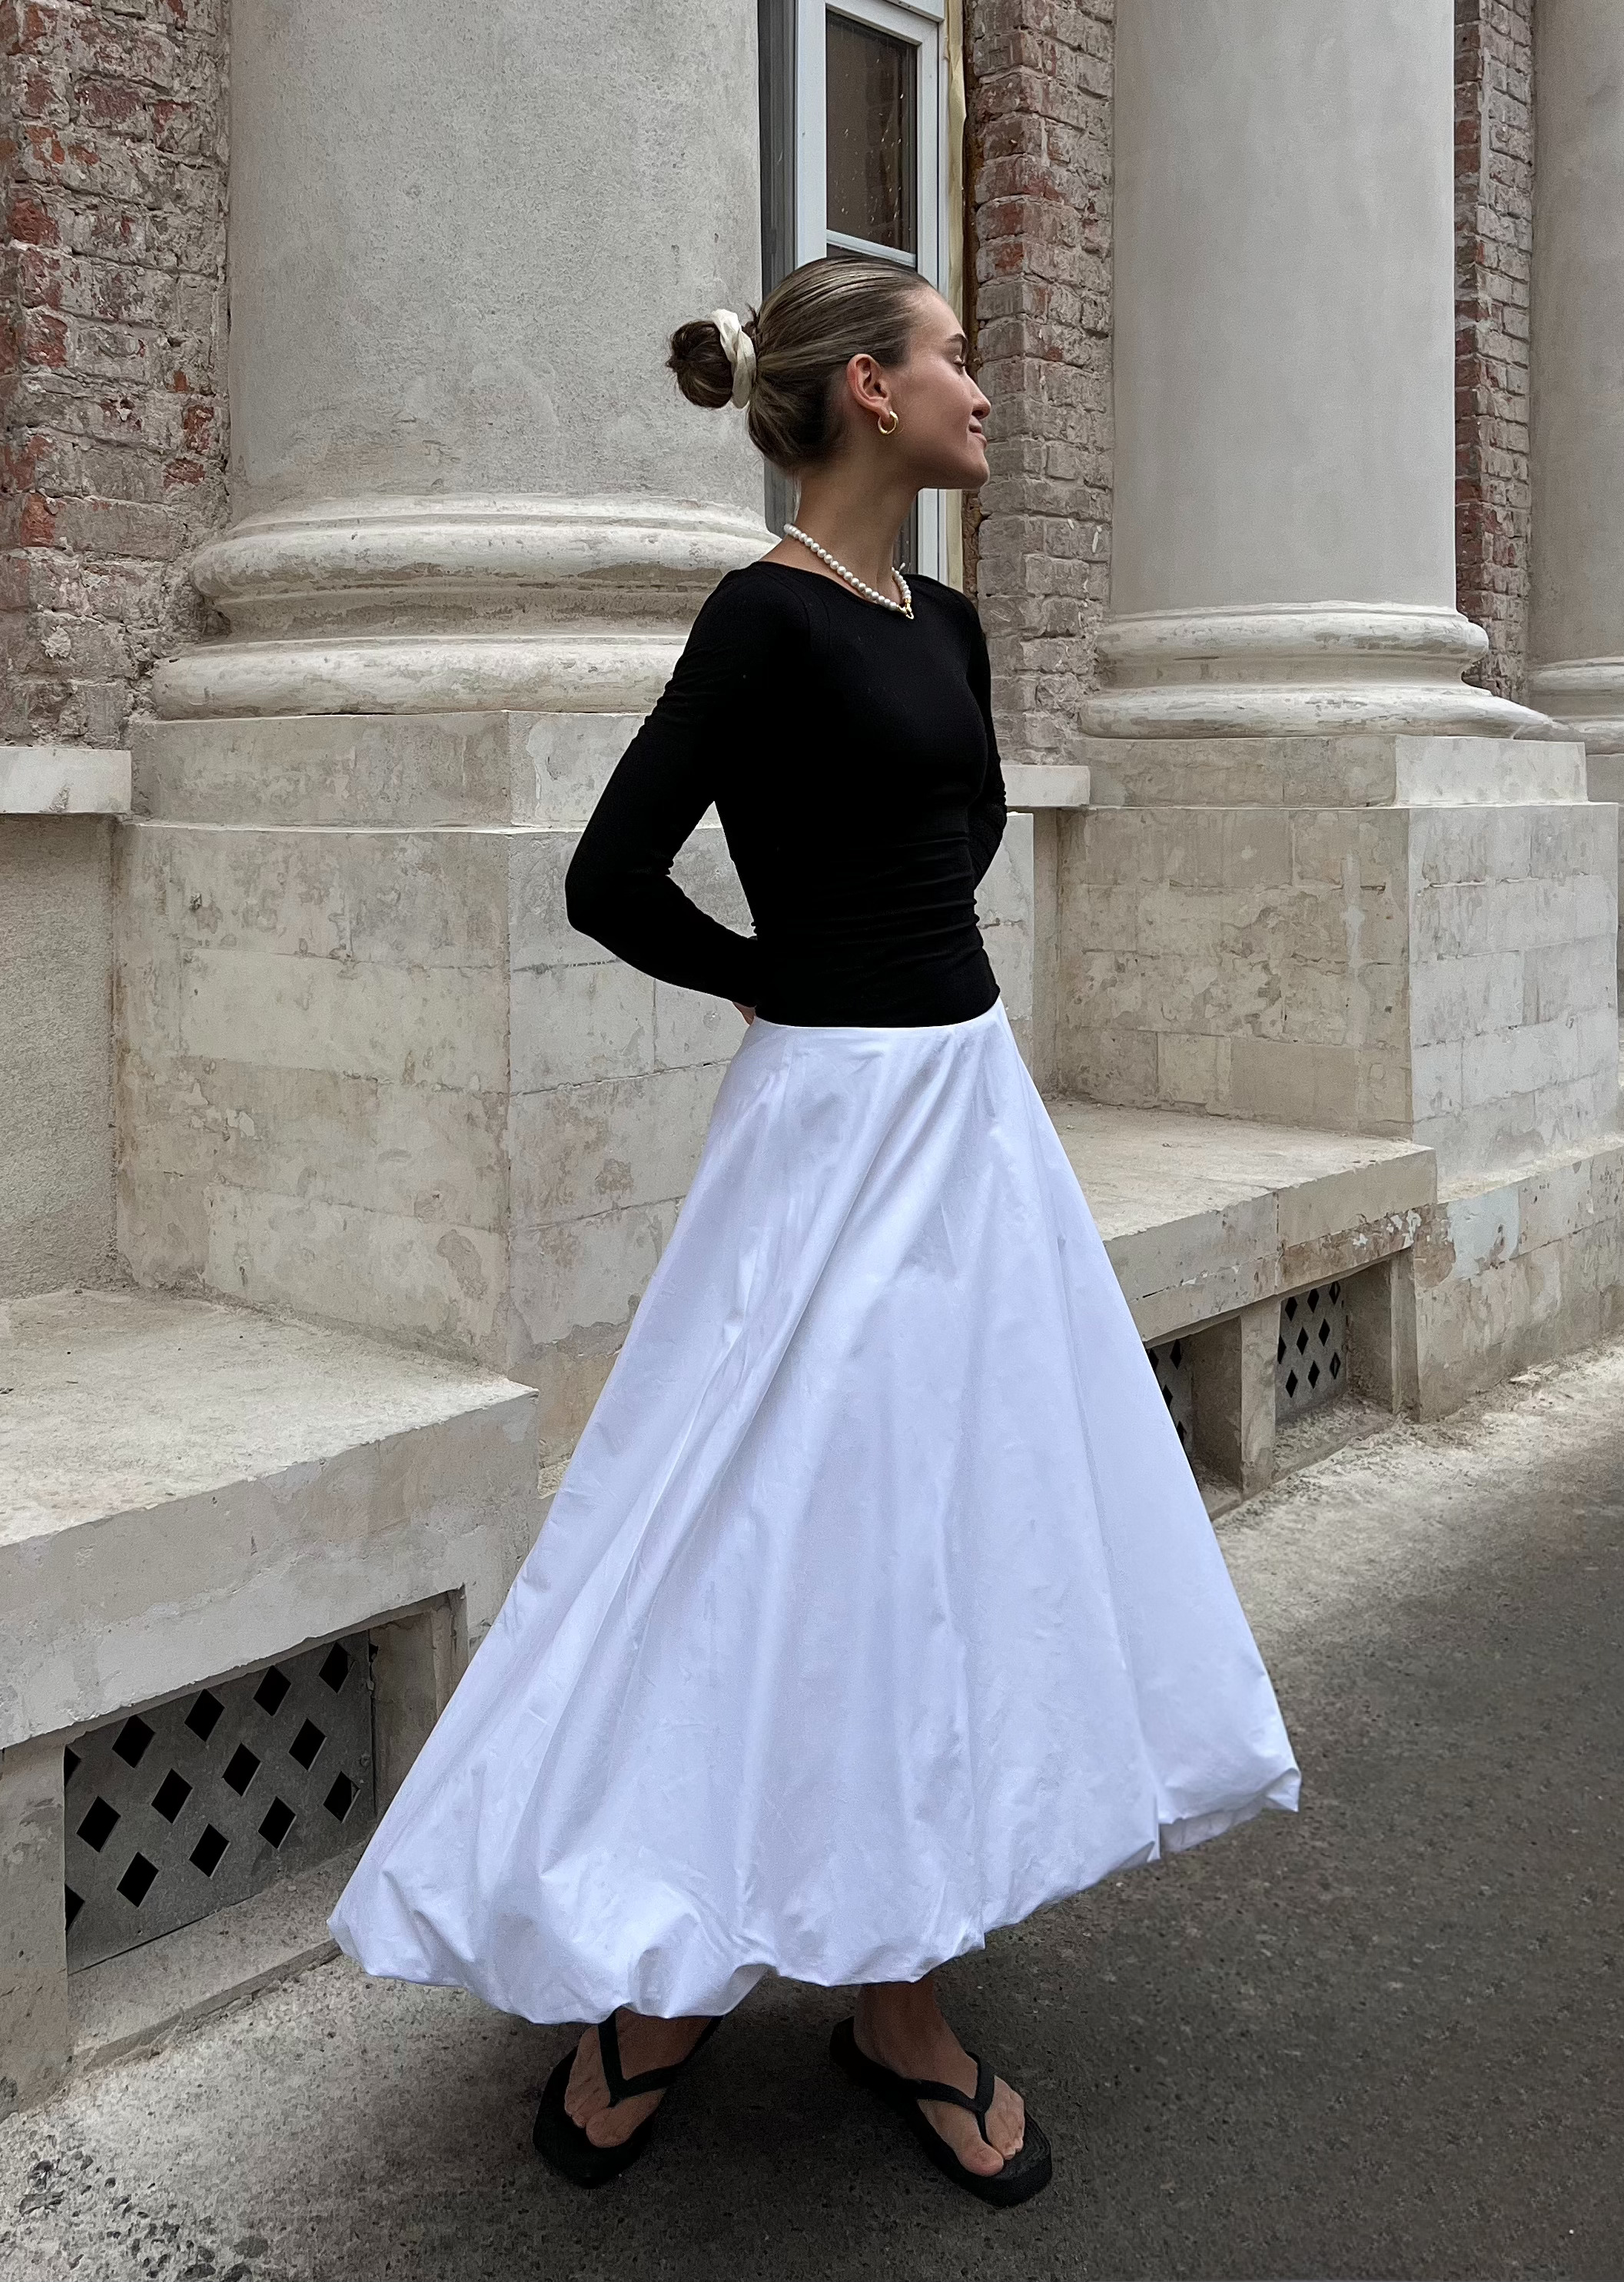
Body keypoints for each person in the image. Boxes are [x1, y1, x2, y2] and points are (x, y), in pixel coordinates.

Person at [327, 254, 1300, 2211]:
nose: (982, 390)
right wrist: (772, 978)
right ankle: (666, 1966)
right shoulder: (758, 621)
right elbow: (610, 876)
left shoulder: (948, 620)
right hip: (831, 1131)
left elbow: (967, 833)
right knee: (765, 1533)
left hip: (971, 1117)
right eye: (954, 358)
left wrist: (895, 976)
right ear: (869, 390)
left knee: (950, 1534)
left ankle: (895, 1995)